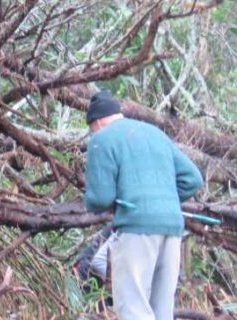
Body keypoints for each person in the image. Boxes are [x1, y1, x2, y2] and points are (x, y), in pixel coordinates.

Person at [83, 91, 204, 320]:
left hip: (136, 230)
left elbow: (99, 198)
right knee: (161, 311)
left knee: (134, 309)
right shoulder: (154, 134)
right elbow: (193, 179)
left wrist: (90, 201)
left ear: (97, 122)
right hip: (172, 228)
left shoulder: (102, 139)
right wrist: (161, 200)